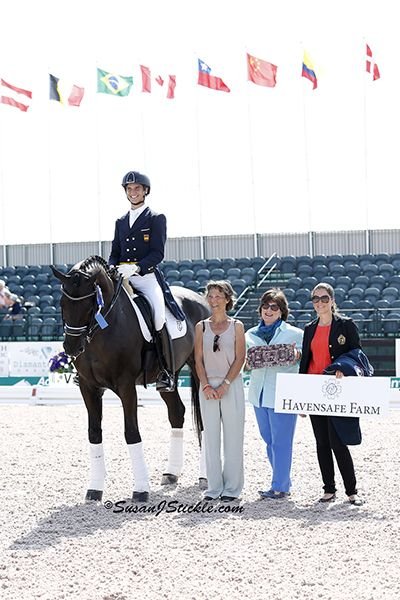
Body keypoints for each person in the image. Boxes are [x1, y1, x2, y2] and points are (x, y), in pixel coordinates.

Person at [109, 171, 181, 392]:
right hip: (123, 278)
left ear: (145, 191)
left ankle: (165, 371)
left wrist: (138, 267)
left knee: (159, 317)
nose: (133, 192)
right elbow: (115, 251)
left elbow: (158, 253)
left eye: (137, 188)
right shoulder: (121, 221)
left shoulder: (156, 218)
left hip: (146, 278)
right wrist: (113, 266)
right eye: (129, 189)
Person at [299, 282, 364, 506]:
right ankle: (328, 489)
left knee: (338, 442)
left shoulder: (346, 326)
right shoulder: (309, 329)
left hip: (338, 391)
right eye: (315, 299)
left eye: (324, 298)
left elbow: (357, 356)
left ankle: (352, 491)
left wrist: (343, 369)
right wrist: (301, 400)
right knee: (321, 443)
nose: (320, 303)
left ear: (333, 300)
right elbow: (305, 363)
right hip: (314, 391)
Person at [246, 289, 303, 500]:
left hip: (284, 396)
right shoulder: (249, 334)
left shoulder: (296, 334)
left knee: (282, 442)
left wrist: (298, 355)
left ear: (282, 312)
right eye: (266, 306)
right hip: (258, 395)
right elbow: (245, 362)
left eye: (274, 307)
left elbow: (307, 363)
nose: (269, 310)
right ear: (260, 309)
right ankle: (282, 480)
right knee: (269, 440)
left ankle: (279, 486)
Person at [194, 280, 246, 502]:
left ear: (227, 299)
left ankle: (232, 488)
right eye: (211, 295)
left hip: (230, 386)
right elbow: (198, 360)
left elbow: (240, 358)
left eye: (218, 296)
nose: (214, 300)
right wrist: (205, 385)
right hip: (207, 388)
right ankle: (214, 487)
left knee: (233, 438)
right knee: (211, 439)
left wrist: (225, 384)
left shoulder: (237, 326)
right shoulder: (200, 327)